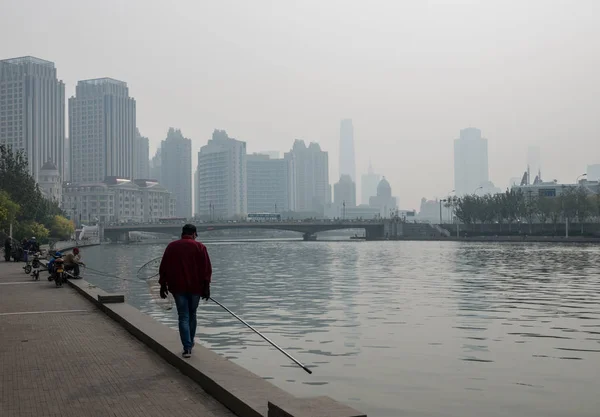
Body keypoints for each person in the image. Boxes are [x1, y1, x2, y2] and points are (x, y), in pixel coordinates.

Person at [159, 224, 211, 358]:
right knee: (192, 314)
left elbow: (163, 267)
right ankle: (190, 342)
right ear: (194, 234)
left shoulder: (171, 247)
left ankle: (187, 347)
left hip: (178, 288)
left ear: (182, 233)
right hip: (195, 288)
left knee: (183, 316)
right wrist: (206, 287)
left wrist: (162, 285)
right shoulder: (200, 247)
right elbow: (206, 269)